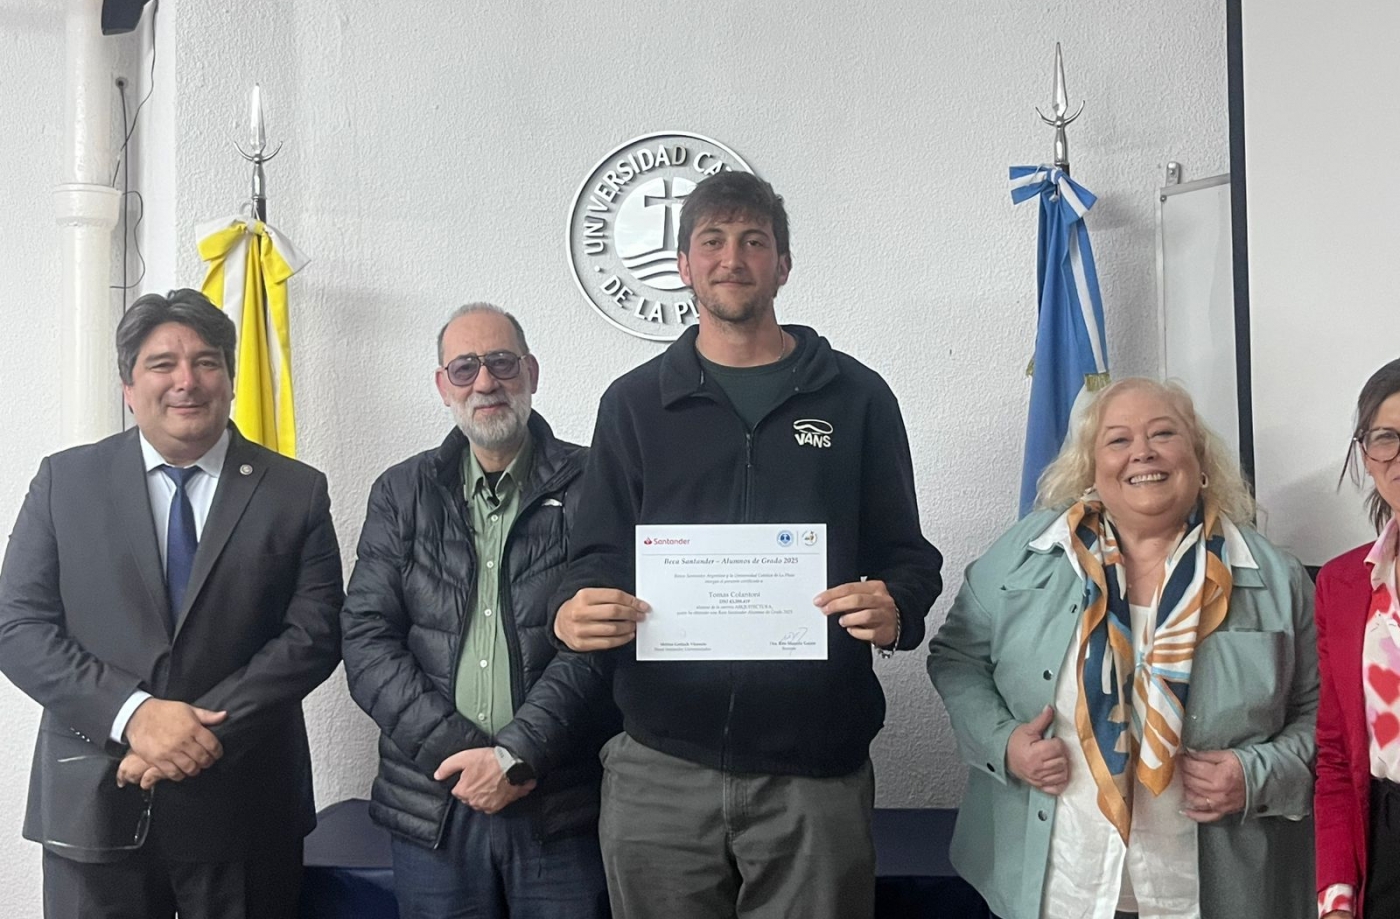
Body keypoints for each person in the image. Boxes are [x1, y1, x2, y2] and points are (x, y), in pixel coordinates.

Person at [551, 170, 943, 919]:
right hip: (659, 766)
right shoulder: (633, 404)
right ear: (684, 266)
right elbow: (594, 555)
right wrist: (571, 610)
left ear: (783, 266)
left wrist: (897, 610)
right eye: (713, 241)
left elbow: (907, 558)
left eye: (753, 241)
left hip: (814, 774)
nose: (732, 258)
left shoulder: (857, 397)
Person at [0, 288, 344, 919]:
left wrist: (192, 732)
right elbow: (18, 626)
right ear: (129, 386)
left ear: (232, 379)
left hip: (245, 811)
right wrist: (133, 716)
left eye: (207, 361)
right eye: (162, 364)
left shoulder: (295, 491)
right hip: (95, 801)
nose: (186, 381)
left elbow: (315, 634)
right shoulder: (64, 482)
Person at [928, 377, 1316, 919]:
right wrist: (1005, 744)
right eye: (1118, 440)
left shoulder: (1275, 577)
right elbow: (957, 658)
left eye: (1164, 433)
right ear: (1090, 467)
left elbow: (1325, 718)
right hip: (1059, 888)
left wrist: (1257, 775)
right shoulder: (1028, 554)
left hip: (1209, 894)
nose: (1143, 452)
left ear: (1200, 459)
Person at [342, 304, 615, 919]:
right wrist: (467, 757)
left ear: (532, 373)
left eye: (501, 363)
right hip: (436, 803)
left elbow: (604, 641)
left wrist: (516, 756)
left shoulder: (596, 482)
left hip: (559, 805)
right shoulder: (400, 492)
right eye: (464, 368)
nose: (485, 382)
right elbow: (365, 639)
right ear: (443, 386)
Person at [1316, 358, 1400, 918]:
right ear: (1366, 455)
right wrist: (1338, 895)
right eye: (1387, 437)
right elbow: (1336, 758)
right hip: (1386, 842)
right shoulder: (1343, 584)